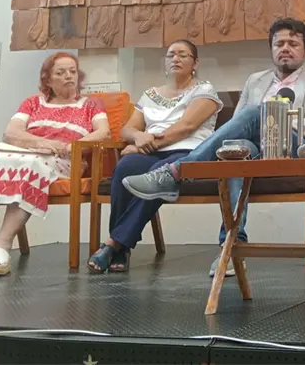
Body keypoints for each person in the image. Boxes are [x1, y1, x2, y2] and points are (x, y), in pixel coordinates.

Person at [120, 18, 305, 276]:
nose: (285, 48)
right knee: (235, 153)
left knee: (257, 113)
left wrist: (274, 117)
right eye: (279, 44)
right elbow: (238, 124)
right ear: (271, 49)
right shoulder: (256, 80)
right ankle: (232, 246)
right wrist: (260, 119)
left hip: (291, 146)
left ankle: (176, 172)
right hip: (254, 147)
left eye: (293, 43)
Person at [88, 41, 222, 273]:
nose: (175, 59)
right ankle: (121, 248)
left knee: (156, 176)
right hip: (151, 151)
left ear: (195, 63)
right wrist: (138, 137)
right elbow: (127, 129)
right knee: (124, 167)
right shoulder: (150, 94)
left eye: (183, 55)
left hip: (188, 153)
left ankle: (115, 243)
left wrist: (144, 146)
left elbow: (186, 127)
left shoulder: (205, 91)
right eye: (171, 55)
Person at [0, 53, 111, 276]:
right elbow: (11, 132)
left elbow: (103, 133)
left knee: (31, 166)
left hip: (66, 159)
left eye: (73, 71)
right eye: (61, 72)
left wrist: (71, 146)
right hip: (30, 152)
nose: (69, 76)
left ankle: (2, 245)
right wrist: (42, 143)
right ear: (47, 79)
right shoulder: (33, 102)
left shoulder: (91, 104)